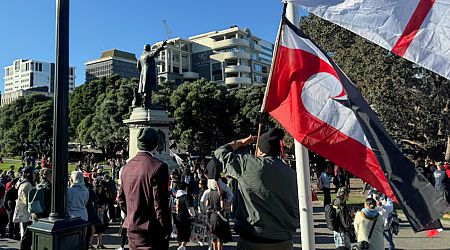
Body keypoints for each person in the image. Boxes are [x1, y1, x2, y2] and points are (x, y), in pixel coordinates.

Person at [214, 128, 299, 249]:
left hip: (254, 240)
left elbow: (218, 154)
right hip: (284, 241)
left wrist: (241, 142)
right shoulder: (291, 173)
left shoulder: (249, 164)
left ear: (261, 150)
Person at [118, 127, 172, 249]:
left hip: (132, 228)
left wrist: (132, 215)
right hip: (152, 231)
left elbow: (121, 198)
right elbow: (159, 203)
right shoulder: (158, 167)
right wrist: (166, 229)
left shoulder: (127, 167)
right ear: (156, 144)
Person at [135, 42, 168, 108]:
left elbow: (138, 67)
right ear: (149, 49)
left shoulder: (140, 57)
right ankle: (147, 103)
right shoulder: (149, 54)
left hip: (143, 74)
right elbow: (156, 52)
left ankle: (146, 102)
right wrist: (162, 46)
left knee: (145, 89)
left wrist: (142, 73)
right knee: (148, 89)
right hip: (149, 73)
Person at [14, 167, 34, 250]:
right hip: (27, 213)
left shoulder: (24, 184)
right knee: (26, 236)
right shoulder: (27, 185)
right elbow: (28, 201)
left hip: (24, 213)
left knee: (25, 235)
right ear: (29, 174)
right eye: (33, 173)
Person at [174, 183, 194, 250]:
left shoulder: (176, 197)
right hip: (185, 218)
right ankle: (182, 246)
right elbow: (189, 208)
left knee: (179, 233)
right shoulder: (185, 197)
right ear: (185, 188)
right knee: (187, 233)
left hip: (177, 217)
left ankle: (180, 245)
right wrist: (193, 215)